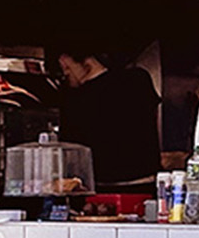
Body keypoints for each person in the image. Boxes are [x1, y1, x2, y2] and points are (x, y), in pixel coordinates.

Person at [54, 47, 160, 190]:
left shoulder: (75, 99)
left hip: (100, 188)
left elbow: (71, 149)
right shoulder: (138, 80)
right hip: (146, 182)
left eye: (65, 68)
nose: (65, 73)